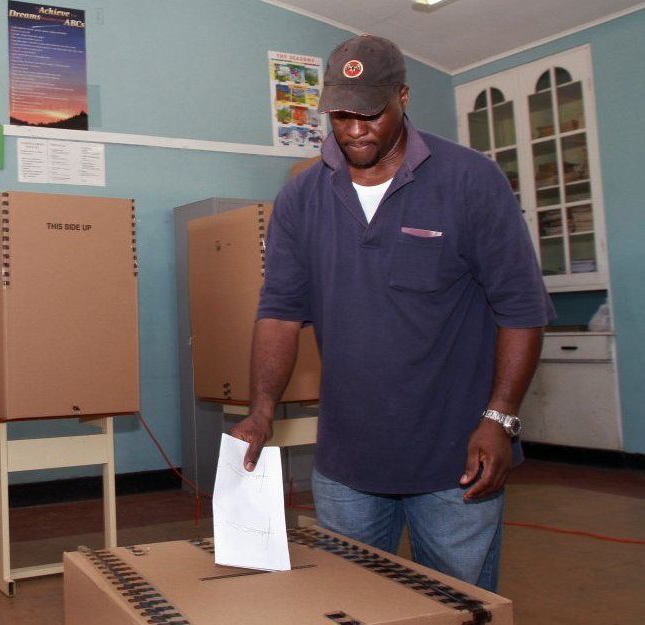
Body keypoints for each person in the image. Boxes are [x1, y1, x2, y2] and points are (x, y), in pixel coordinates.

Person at [229, 34, 553, 592]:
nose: (355, 129)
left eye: (371, 114)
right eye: (341, 115)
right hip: (348, 466)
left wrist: (500, 419)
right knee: (351, 602)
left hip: (457, 464)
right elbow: (280, 312)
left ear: (403, 96)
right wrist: (261, 412)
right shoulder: (301, 200)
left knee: (457, 606)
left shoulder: (471, 182)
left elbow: (521, 309)